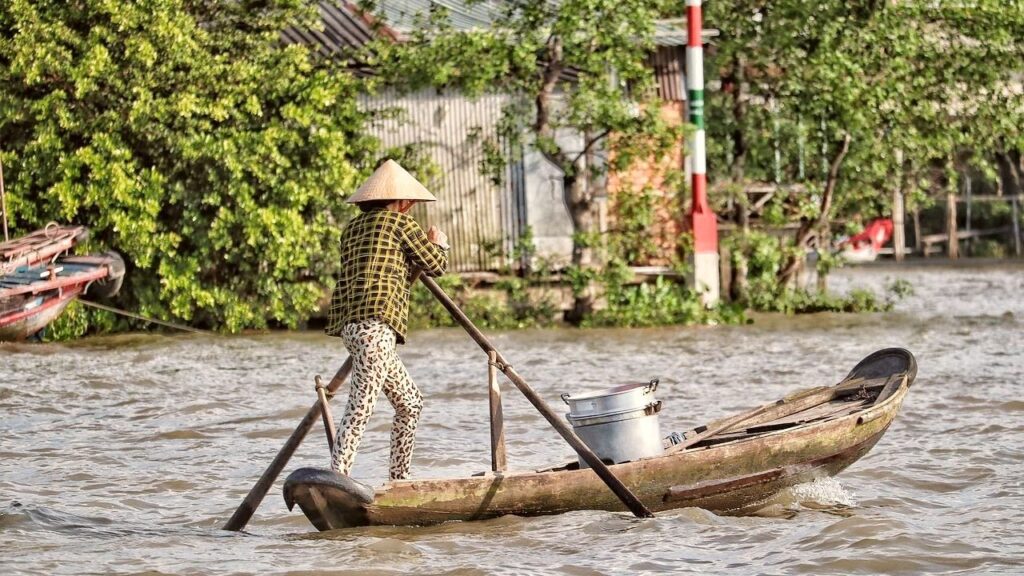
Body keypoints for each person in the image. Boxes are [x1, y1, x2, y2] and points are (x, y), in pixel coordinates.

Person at [325, 159, 449, 481]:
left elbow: (392, 271)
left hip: (352, 328)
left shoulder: (351, 229)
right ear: (402, 202)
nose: (409, 209)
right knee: (361, 406)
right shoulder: (399, 224)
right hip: (375, 329)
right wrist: (438, 243)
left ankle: (399, 479)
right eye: (408, 204)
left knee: (411, 403)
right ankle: (338, 476)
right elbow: (434, 264)